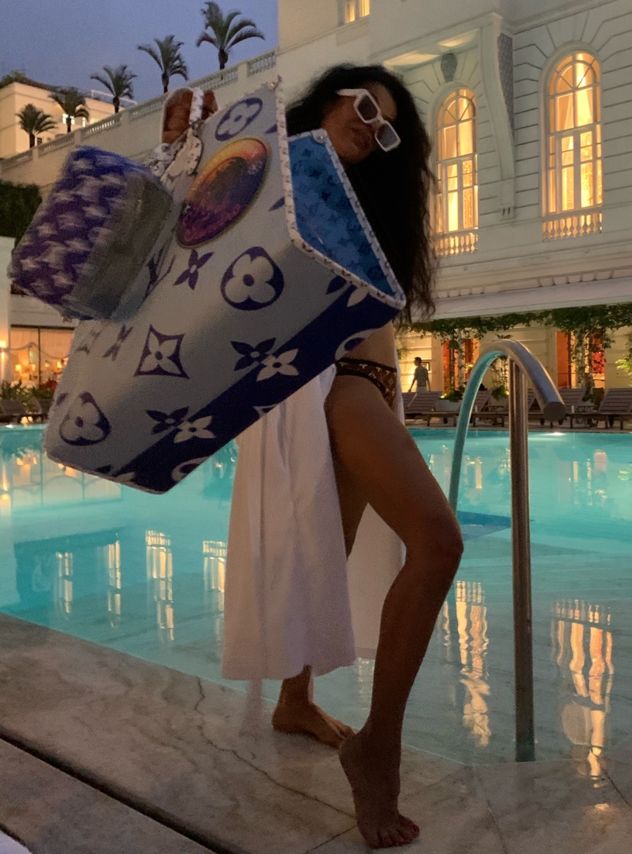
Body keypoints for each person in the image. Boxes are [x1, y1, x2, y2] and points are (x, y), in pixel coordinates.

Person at [165, 66, 463, 850]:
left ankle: (294, 701)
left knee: (326, 547)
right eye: (363, 106)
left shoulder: (358, 198)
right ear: (328, 98)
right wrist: (194, 152)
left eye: (387, 126)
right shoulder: (278, 172)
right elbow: (199, 239)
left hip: (371, 384)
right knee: (438, 542)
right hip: (330, 383)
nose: (371, 125)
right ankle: (378, 748)